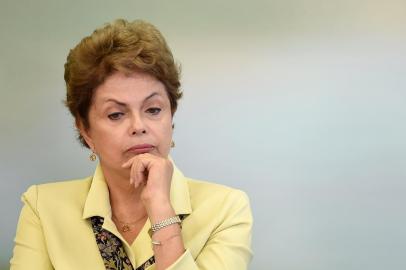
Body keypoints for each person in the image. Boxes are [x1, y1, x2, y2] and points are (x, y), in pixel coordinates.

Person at [10, 19, 253, 270]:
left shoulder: (226, 208)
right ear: (85, 130)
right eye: (116, 114)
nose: (139, 126)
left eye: (154, 109)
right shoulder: (43, 207)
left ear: (171, 116)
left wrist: (161, 210)